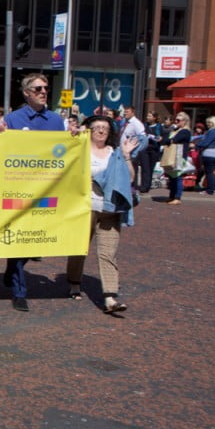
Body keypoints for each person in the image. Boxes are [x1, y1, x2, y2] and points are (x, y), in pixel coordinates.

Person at [2, 73, 66, 312]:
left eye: (46, 88)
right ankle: (19, 292)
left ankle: (11, 268)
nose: (43, 92)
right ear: (26, 93)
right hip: (18, 190)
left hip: (46, 189)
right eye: (38, 88)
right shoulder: (13, 119)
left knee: (35, 240)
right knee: (20, 238)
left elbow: (64, 152)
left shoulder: (56, 121)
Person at [65, 115, 139, 314]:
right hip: (84, 209)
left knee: (108, 253)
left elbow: (130, 178)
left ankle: (110, 297)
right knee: (80, 248)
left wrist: (126, 156)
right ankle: (73, 283)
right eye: (96, 127)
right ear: (88, 129)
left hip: (110, 210)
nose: (100, 131)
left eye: (105, 128)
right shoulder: (79, 148)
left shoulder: (114, 153)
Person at [164, 112, 192, 205]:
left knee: (178, 177)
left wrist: (168, 140)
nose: (176, 121)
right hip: (173, 155)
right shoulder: (176, 129)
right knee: (172, 177)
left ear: (184, 121)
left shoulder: (185, 131)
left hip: (179, 156)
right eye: (175, 119)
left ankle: (177, 197)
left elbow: (174, 140)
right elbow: (167, 140)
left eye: (178, 120)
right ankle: (171, 196)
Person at [193, 115, 215, 195]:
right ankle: (213, 188)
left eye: (210, 122)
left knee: (209, 172)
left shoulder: (212, 131)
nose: (208, 124)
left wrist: (196, 145)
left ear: (214, 122)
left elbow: (206, 142)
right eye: (207, 122)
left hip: (210, 153)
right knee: (212, 172)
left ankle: (210, 190)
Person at [138, 111, 164, 194]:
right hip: (145, 148)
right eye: (147, 116)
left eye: (149, 116)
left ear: (154, 118)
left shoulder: (159, 127)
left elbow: (161, 137)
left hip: (154, 149)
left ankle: (147, 185)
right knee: (144, 167)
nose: (147, 117)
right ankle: (144, 186)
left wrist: (155, 137)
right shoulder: (144, 126)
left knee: (150, 168)